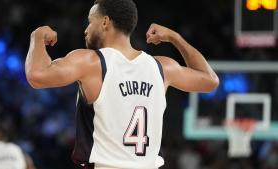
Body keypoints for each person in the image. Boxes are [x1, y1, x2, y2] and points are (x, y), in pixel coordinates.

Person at [25, 0, 219, 168]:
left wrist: (38, 35)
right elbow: (210, 80)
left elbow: (37, 75)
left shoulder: (91, 62)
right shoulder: (161, 67)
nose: (85, 30)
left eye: (89, 23)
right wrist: (174, 38)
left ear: (105, 22)